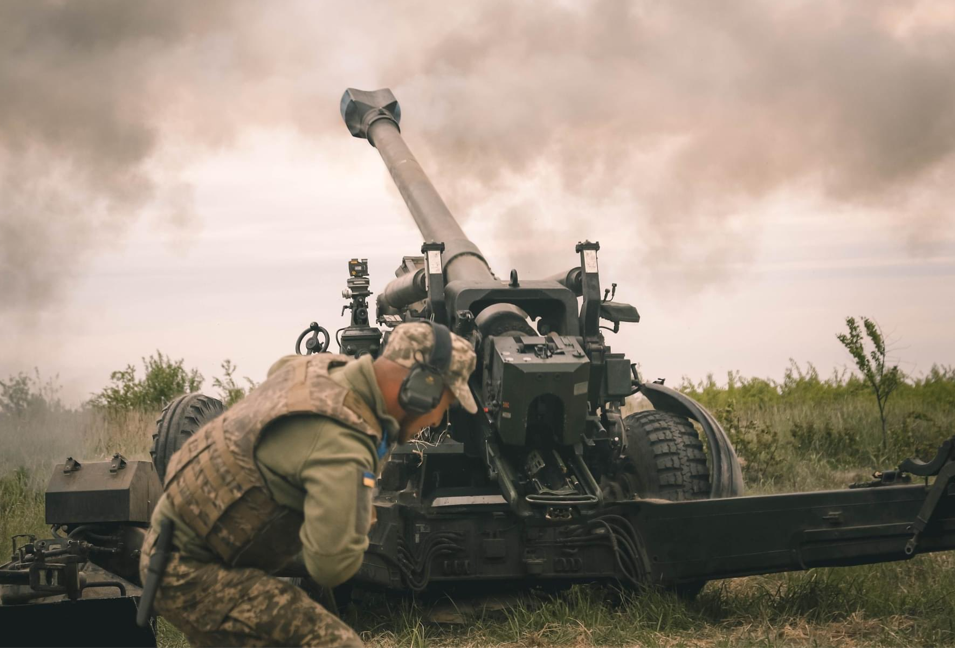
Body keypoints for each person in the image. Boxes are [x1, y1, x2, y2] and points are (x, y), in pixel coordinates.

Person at [138, 322, 477, 647]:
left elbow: (280, 369)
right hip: (190, 574)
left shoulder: (321, 368)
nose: (436, 421)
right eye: (444, 406)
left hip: (173, 540)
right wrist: (355, 515)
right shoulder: (345, 444)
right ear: (422, 387)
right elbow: (331, 565)